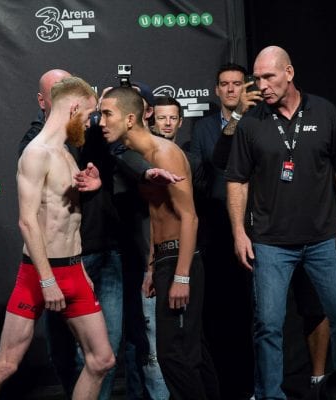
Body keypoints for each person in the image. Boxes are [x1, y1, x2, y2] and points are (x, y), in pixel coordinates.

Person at [225, 46, 336, 399]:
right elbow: (236, 181)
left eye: (269, 76)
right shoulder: (251, 122)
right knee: (268, 326)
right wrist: (239, 231)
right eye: (257, 78)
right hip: (270, 243)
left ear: (289, 72)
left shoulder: (325, 111)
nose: (262, 85)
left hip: (324, 240)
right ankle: (270, 395)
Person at [0, 76, 116, 400]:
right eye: (90, 114)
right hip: (39, 273)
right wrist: (48, 280)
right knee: (6, 364)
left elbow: (67, 217)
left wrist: (92, 188)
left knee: (102, 360)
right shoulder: (36, 153)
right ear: (74, 107)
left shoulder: (66, 153)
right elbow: (27, 222)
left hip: (73, 270)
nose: (91, 122)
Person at [100, 87, 220, 400]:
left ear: (129, 119)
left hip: (182, 258)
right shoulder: (140, 157)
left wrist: (182, 276)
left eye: (107, 114)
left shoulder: (164, 153)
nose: (101, 121)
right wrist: (154, 266)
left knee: (174, 355)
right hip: (166, 260)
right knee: (193, 352)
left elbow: (189, 217)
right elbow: (156, 216)